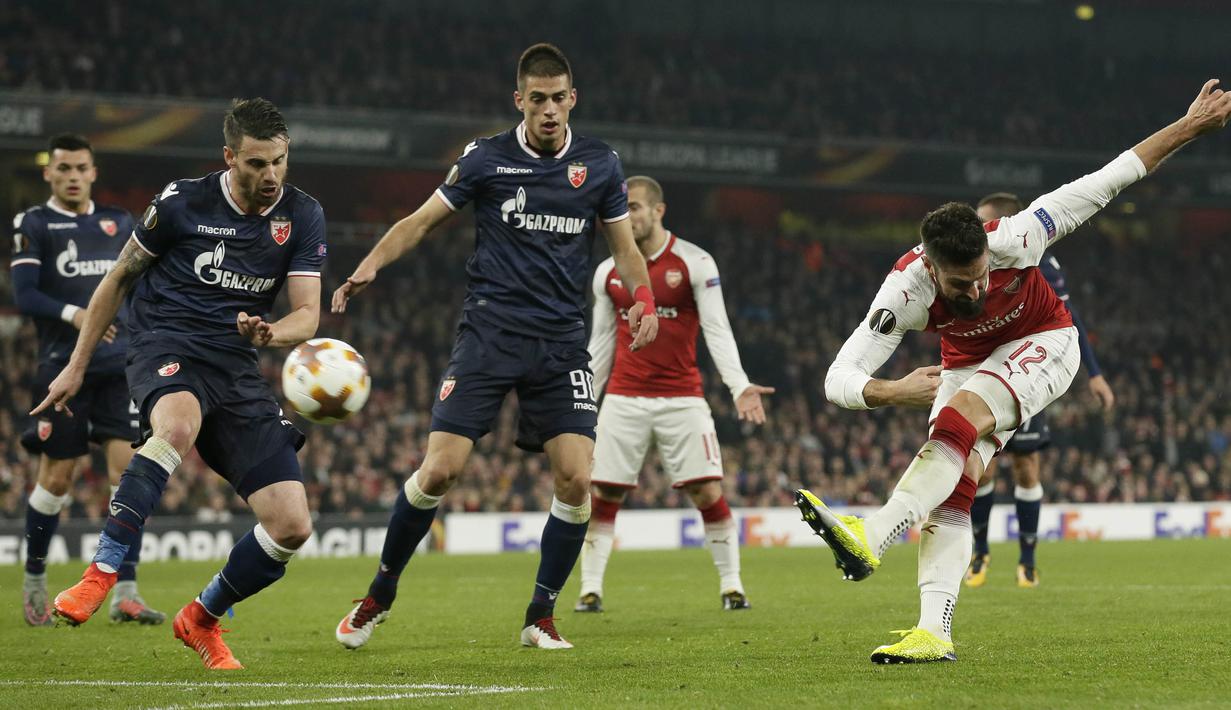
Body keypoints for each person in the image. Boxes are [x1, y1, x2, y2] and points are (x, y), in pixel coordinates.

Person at [795, 81, 1230, 663]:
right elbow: (838, 376)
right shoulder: (905, 290)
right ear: (931, 268)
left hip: (1046, 342)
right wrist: (889, 390)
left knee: (958, 417)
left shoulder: (1019, 235)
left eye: (980, 275)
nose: (975, 289)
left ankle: (870, 536)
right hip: (968, 364)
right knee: (956, 483)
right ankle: (933, 632)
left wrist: (1188, 127)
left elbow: (1113, 177)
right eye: (960, 284)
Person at [331, 43, 658, 651]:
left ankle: (540, 615)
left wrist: (642, 301)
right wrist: (370, 263)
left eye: (559, 98)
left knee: (574, 479)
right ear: (520, 101)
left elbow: (625, 251)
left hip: (561, 343)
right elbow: (421, 221)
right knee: (440, 471)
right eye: (538, 100)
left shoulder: (601, 165)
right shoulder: (485, 159)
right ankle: (378, 594)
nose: (550, 110)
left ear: (572, 99)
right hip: (489, 334)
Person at [35, 99, 326, 670]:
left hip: (237, 367)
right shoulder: (181, 202)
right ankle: (103, 570)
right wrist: (75, 364)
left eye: (279, 163)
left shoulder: (302, 213)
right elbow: (119, 277)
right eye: (256, 164)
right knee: (177, 424)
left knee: (292, 525)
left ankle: (201, 618)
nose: (270, 177)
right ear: (228, 158)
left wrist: (269, 333)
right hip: (165, 343)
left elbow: (308, 315)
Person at [576, 175, 773, 613]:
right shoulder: (608, 272)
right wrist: (583, 401)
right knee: (604, 493)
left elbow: (718, 331)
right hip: (624, 398)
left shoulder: (693, 262)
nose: (628, 215)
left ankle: (732, 585)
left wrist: (739, 386)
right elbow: (601, 344)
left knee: (706, 491)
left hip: (682, 397)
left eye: (636, 207)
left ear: (658, 211)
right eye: (622, 208)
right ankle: (590, 589)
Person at [12, 134, 163, 627]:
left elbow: (137, 286)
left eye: (81, 167)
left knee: (132, 476)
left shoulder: (119, 222)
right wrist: (77, 314)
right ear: (49, 174)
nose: (73, 175)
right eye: (64, 168)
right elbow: (25, 293)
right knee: (57, 480)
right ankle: (35, 578)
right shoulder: (35, 224)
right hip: (63, 366)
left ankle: (127, 593)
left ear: (93, 172)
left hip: (120, 369)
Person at [965, 192, 1116, 589]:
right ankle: (979, 553)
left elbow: (1069, 319)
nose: (980, 231)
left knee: (1025, 466)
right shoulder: (984, 262)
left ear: (1007, 224)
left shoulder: (1040, 264)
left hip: (1026, 375)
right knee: (981, 467)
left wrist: (1094, 373)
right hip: (985, 372)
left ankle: (1027, 561)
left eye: (985, 223)